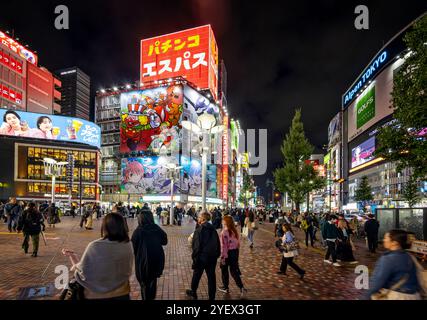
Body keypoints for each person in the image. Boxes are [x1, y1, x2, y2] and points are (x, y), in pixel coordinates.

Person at [62, 213, 134, 300]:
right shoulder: (128, 244)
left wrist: (73, 257)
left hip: (96, 295)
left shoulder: (95, 246)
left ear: (105, 227)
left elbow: (83, 273)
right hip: (123, 294)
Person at [367, 229, 425, 300]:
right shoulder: (410, 256)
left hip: (397, 296)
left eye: (386, 238)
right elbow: (419, 278)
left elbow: (377, 283)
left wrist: (366, 297)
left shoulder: (388, 258)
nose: (383, 240)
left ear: (394, 242)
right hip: (414, 296)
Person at [131, 210, 168, 300]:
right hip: (156, 261)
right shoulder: (156, 228)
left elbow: (132, 248)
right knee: (152, 282)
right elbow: (165, 241)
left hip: (143, 262)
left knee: (144, 285)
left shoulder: (138, 231)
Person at [186, 212, 220, 300]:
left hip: (201, 257)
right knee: (211, 277)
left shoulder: (199, 230)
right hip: (212, 257)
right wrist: (216, 254)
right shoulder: (213, 229)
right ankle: (211, 297)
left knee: (197, 275)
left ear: (203, 219)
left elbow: (196, 247)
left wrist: (194, 258)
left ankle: (193, 291)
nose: (198, 218)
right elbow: (218, 243)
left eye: (200, 217)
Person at [218, 216, 247, 298]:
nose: (222, 221)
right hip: (235, 252)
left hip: (227, 253)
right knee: (234, 271)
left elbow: (223, 246)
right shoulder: (234, 231)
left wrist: (223, 256)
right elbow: (237, 244)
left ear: (226, 222)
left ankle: (225, 287)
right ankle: (241, 287)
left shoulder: (224, 232)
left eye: (223, 220)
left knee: (224, 270)